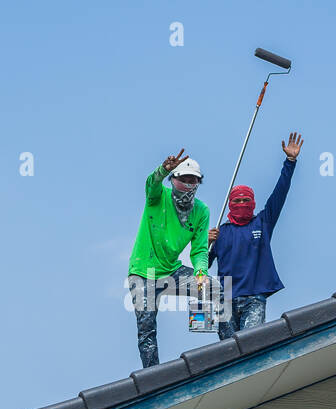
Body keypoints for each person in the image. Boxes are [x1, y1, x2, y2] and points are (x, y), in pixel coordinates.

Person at [207, 131, 303, 339]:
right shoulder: (220, 232)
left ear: (253, 203)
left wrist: (290, 161)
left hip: (254, 298)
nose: (242, 205)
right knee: (227, 352)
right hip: (225, 299)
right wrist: (204, 243)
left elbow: (280, 193)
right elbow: (201, 266)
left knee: (250, 344)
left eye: (246, 201)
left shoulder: (263, 222)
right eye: (237, 201)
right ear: (230, 205)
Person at [127, 148, 210, 368]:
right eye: (183, 180)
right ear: (173, 180)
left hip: (171, 270)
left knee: (212, 289)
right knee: (146, 327)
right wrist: (163, 169)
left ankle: (228, 347)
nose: (188, 186)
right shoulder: (158, 197)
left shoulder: (201, 211)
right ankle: (153, 376)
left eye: (193, 181)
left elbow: (200, 250)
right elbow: (151, 184)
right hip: (144, 271)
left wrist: (201, 271)